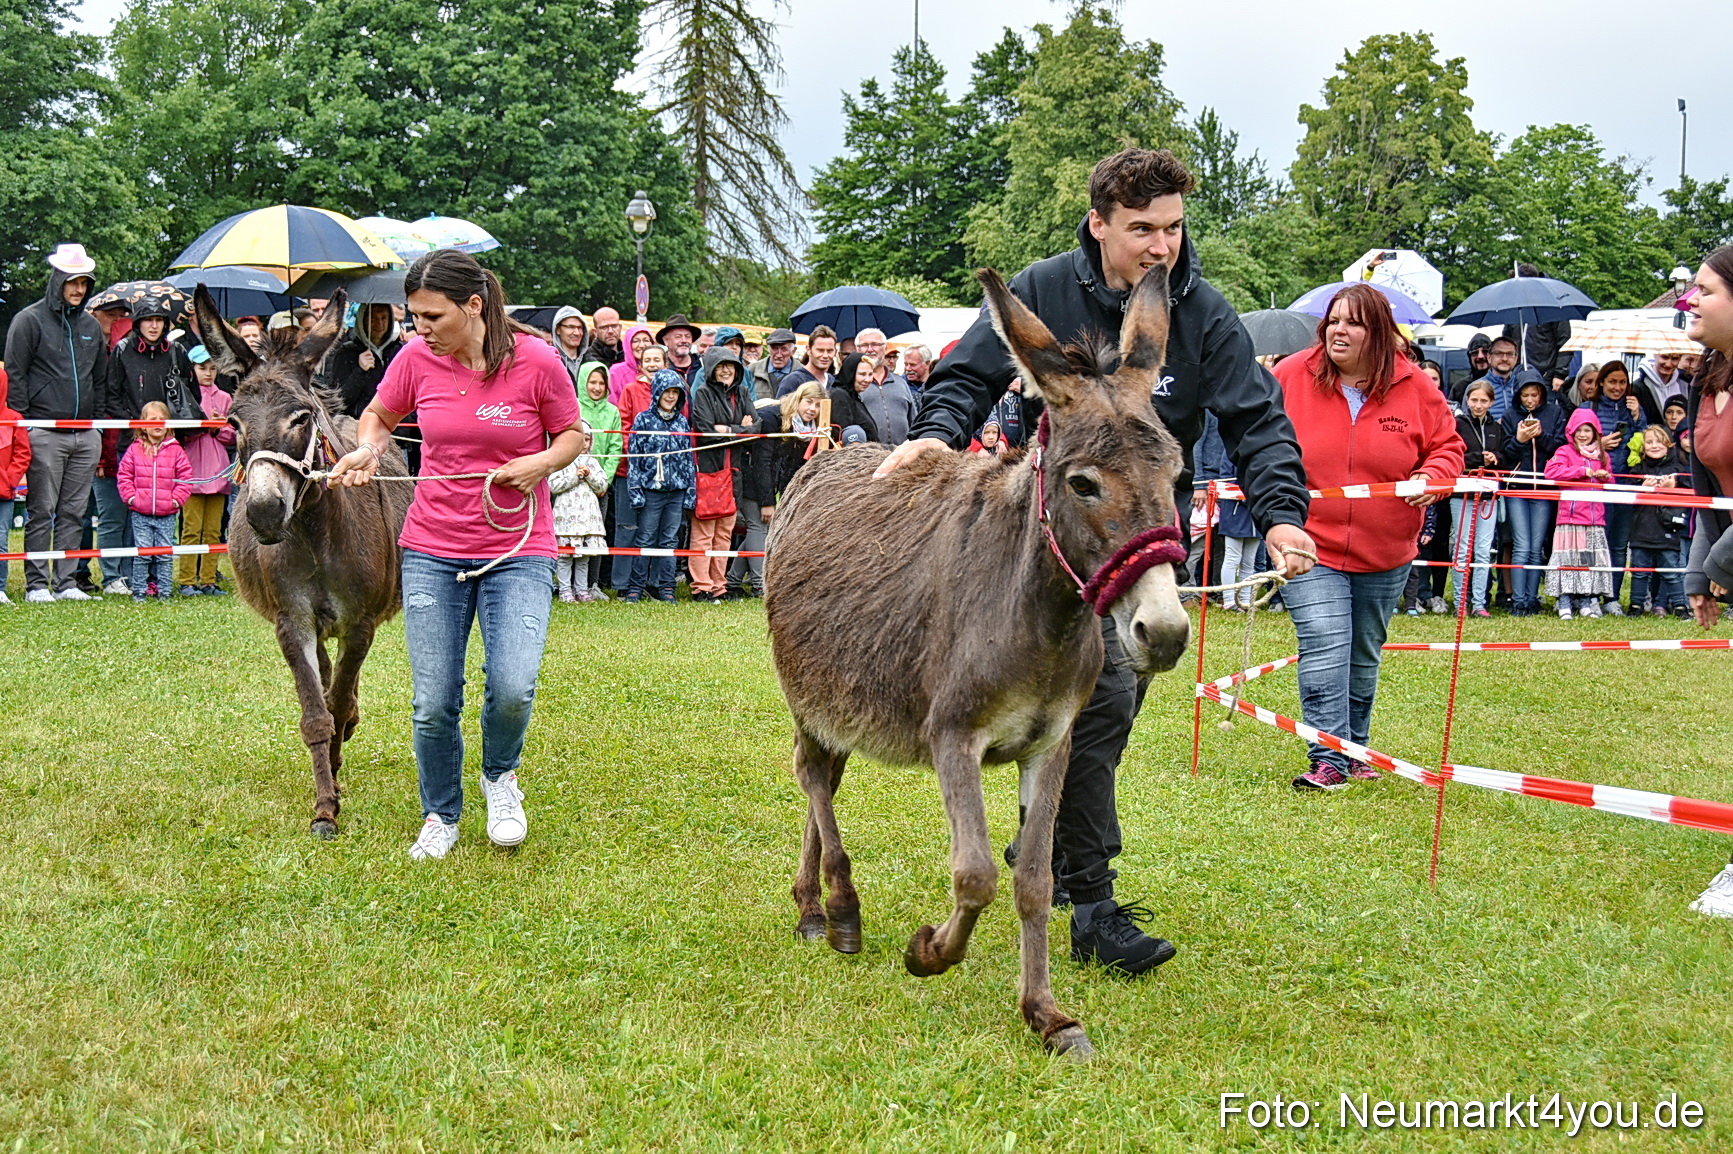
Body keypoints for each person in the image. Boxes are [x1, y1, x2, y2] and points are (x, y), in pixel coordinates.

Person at [875, 147, 1315, 975]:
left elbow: (1256, 421)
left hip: (1136, 545)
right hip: (1032, 542)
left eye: (1174, 228)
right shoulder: (1043, 288)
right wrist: (934, 434)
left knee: (1101, 715)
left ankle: (1047, 851)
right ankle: (1090, 900)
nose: (1162, 246)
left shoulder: (1203, 314)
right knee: (1092, 710)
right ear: (1099, 223)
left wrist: (1284, 516)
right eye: (1142, 229)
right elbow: (967, 373)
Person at [325, 248, 584, 861]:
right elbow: (379, 416)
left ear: (474, 306)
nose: (420, 329)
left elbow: (573, 434)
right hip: (433, 550)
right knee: (434, 699)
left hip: (518, 549)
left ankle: (500, 777)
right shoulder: (416, 359)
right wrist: (366, 449)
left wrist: (540, 463)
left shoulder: (538, 362)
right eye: (414, 316)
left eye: (432, 316)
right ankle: (440, 812)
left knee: (514, 685)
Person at [1273, 284, 1462, 788]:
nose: (1338, 330)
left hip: (1387, 550)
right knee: (1323, 641)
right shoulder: (1291, 374)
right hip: (1309, 542)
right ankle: (1328, 757)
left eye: (1353, 323)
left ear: (1378, 334)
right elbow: (1261, 439)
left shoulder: (1416, 386)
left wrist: (1433, 478)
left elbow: (1449, 447)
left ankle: (1353, 746)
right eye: (1334, 320)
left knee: (1362, 653)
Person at [5, 244, 107, 603]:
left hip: (86, 434)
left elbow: (100, 379)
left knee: (74, 512)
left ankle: (66, 584)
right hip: (42, 431)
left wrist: (99, 427)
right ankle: (36, 584)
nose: (79, 289)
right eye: (73, 281)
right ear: (58, 280)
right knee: (41, 509)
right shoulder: (28, 321)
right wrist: (23, 427)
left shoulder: (93, 327)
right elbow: (15, 375)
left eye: (84, 282)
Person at [1678, 245, 1733, 918]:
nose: (1689, 300)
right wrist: (1701, 571)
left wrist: (1719, 566)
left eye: (1704, 290)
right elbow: (1706, 494)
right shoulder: (1704, 379)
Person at [689, 346, 755, 601]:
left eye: (731, 365)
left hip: (734, 473)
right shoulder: (703, 394)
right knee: (704, 532)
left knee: (724, 533)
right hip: (708, 472)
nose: (727, 370)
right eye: (721, 365)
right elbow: (706, 432)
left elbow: (756, 428)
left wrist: (727, 429)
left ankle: (719, 585)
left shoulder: (744, 392)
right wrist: (739, 430)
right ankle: (701, 587)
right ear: (711, 369)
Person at [625, 370, 696, 603]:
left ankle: (667, 588)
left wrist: (690, 491)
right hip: (651, 491)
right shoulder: (643, 420)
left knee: (670, 541)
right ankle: (636, 587)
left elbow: (688, 459)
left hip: (676, 491)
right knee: (645, 539)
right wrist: (635, 490)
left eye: (676, 392)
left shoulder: (682, 422)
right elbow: (633, 458)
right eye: (667, 391)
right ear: (657, 392)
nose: (671, 396)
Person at [1497, 376, 1566, 615]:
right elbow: (1505, 454)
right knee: (1521, 545)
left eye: (1534, 395)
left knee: (1536, 547)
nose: (1529, 400)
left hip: (1544, 487)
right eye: (1525, 395)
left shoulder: (1554, 413)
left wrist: (1540, 436)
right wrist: (1519, 440)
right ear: (1518, 395)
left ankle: (1531, 598)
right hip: (1517, 487)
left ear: (1541, 395)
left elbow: (1560, 448)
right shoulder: (1509, 415)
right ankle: (1518, 601)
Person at [116, 400, 192, 602]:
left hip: (167, 514)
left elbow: (185, 478)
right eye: (153, 419)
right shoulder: (134, 450)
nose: (158, 423)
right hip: (140, 513)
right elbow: (124, 476)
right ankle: (139, 591)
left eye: (162, 419)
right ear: (142, 424)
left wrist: (176, 501)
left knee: (164, 554)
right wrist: (132, 498)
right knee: (142, 554)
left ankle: (165, 592)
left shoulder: (176, 450)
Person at [1543, 409, 1615, 618]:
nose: (1583, 434)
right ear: (1571, 432)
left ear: (1596, 433)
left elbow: (1611, 483)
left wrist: (1604, 477)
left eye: (1587, 430)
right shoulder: (1565, 452)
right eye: (1579, 430)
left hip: (1594, 520)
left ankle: (1585, 601)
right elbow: (1552, 473)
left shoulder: (1603, 456)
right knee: (1566, 560)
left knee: (1586, 562)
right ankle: (1564, 601)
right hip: (1570, 518)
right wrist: (1584, 472)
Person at [175, 346, 234, 595]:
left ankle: (209, 579)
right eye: (202, 368)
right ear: (192, 369)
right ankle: (187, 579)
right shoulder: (184, 394)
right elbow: (180, 431)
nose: (208, 373)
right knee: (191, 529)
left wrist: (218, 427)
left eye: (212, 368)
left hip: (218, 471)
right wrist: (202, 423)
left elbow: (233, 435)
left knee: (213, 530)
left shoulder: (225, 398)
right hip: (192, 470)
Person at [1589, 360, 1646, 613]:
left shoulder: (1633, 408)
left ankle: (1611, 597)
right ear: (1601, 382)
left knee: (1619, 544)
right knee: (1595, 543)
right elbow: (1572, 443)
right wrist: (1600, 445)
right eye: (1612, 381)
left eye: (1622, 382)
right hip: (1597, 485)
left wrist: (1637, 416)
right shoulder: (1588, 407)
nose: (1618, 387)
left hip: (1626, 483)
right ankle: (1590, 595)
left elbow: (1650, 443)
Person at [1192, 411, 1260, 609]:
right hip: (1235, 509)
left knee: (1249, 560)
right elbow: (1226, 477)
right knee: (1232, 556)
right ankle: (1229, 600)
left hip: (1254, 512)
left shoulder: (1260, 451)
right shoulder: (1231, 451)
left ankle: (1246, 601)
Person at [1450, 380, 1503, 617]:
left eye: (1483, 401)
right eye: (1474, 400)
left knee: (1483, 551)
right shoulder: (1456, 425)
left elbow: (1504, 454)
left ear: (1491, 402)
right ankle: (1460, 603)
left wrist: (1495, 458)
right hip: (1462, 495)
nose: (1478, 405)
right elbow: (1454, 455)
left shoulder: (1497, 428)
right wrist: (1479, 459)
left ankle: (1479, 604)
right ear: (1467, 400)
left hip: (1488, 497)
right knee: (1462, 550)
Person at [1626, 425, 1690, 617]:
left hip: (1668, 529)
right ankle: (1636, 606)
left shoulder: (1678, 469)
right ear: (1643, 447)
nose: (1654, 446)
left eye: (1659, 441)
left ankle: (1680, 606)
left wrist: (1674, 486)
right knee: (1639, 571)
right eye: (1649, 442)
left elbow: (1691, 489)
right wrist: (1641, 488)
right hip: (1641, 530)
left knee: (1671, 571)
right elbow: (1626, 491)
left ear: (1669, 444)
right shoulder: (1638, 469)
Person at [573, 360, 621, 599]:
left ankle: (592, 584)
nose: (597, 387)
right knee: (567, 533)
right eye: (592, 382)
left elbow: (615, 448)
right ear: (583, 382)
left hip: (599, 486)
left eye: (602, 383)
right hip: (570, 485)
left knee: (595, 535)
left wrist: (604, 481)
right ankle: (565, 583)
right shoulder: (573, 408)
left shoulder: (612, 411)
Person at [549, 424, 610, 603]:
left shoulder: (593, 462)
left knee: (583, 557)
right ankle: (565, 590)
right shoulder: (561, 460)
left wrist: (589, 475)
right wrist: (576, 477)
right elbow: (553, 485)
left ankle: (582, 590)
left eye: (586, 439)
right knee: (565, 557)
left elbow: (602, 486)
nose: (583, 444)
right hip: (566, 518)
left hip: (587, 520)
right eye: (579, 439)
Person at [319, 303, 404, 419]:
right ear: (362, 320)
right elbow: (339, 401)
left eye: (384, 318)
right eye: (373, 318)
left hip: (399, 427)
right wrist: (360, 371)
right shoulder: (346, 353)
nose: (379, 324)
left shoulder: (400, 351)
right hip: (360, 427)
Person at [0, 380, 31, 605]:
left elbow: (23, 453)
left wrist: (9, 480)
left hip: (4, 493)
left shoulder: (14, 418)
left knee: (1, 541)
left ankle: (0, 587)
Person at [855, 343, 918, 446]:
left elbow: (913, 421)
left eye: (894, 357)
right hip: (868, 454)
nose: (891, 361)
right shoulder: (859, 383)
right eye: (889, 357)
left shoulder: (901, 383)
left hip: (900, 452)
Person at [827, 353, 880, 444]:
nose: (867, 379)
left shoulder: (853, 396)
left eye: (870, 374)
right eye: (862, 374)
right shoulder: (839, 396)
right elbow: (843, 436)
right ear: (850, 373)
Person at [775, 326, 837, 397]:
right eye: (820, 350)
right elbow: (780, 407)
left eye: (830, 351)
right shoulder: (793, 381)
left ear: (835, 351)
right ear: (808, 350)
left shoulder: (833, 382)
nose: (825, 355)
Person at [607, 324, 655, 406]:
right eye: (636, 341)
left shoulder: (660, 370)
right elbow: (611, 405)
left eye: (646, 340)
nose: (642, 345)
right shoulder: (616, 372)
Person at [1474, 335, 1521, 419]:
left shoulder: (1522, 385)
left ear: (1516, 358)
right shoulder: (1475, 387)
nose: (1505, 359)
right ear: (1489, 357)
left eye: (1510, 354)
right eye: (1499, 353)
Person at [1633, 352, 1685, 425]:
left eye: (1675, 359)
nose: (1668, 364)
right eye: (1665, 357)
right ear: (1655, 354)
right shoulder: (1637, 388)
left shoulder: (1685, 385)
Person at [751, 328, 799, 400]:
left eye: (784, 349)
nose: (779, 355)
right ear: (768, 349)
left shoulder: (802, 374)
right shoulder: (752, 370)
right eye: (775, 348)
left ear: (793, 351)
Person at [657, 314, 703, 387]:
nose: (684, 340)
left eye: (687, 336)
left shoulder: (703, 365)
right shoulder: (658, 367)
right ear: (666, 340)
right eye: (678, 337)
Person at [548, 307, 590, 383]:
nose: (577, 333)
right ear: (558, 329)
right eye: (571, 327)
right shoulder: (550, 362)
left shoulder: (590, 361)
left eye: (580, 328)